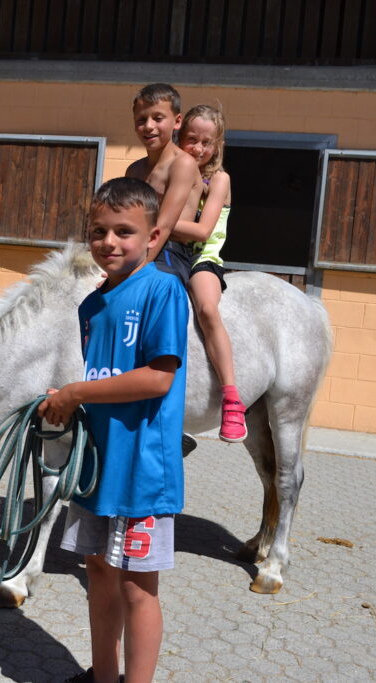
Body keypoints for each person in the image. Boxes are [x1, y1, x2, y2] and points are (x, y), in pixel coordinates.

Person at [39, 177, 188, 683]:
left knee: (137, 588)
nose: (109, 242)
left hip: (142, 470)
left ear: (153, 236)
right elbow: (102, 379)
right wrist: (61, 402)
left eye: (124, 231)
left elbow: (158, 377)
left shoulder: (163, 289)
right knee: (99, 573)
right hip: (97, 466)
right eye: (98, 231)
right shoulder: (91, 304)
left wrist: (75, 392)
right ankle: (104, 675)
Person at [173, 104, 247, 442]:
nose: (199, 149)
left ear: (217, 145)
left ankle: (231, 397)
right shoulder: (175, 171)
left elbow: (203, 231)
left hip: (203, 257)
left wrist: (153, 225)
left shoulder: (219, 179)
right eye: (192, 140)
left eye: (207, 142)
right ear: (180, 136)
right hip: (172, 253)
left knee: (206, 307)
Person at [124, 83, 203, 289]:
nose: (149, 126)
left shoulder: (182, 164)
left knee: (160, 284)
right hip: (136, 244)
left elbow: (165, 225)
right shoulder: (134, 170)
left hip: (170, 249)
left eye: (158, 118)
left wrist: (136, 268)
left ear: (177, 121)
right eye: (141, 120)